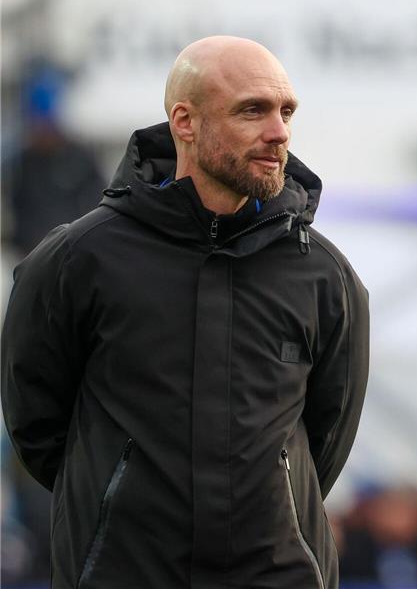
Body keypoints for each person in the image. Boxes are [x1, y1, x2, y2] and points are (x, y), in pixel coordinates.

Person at [1, 36, 369, 589]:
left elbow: (325, 441)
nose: (279, 133)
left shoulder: (325, 275)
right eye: (253, 110)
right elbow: (36, 422)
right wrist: (114, 498)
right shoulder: (78, 258)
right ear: (185, 122)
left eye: (285, 111)